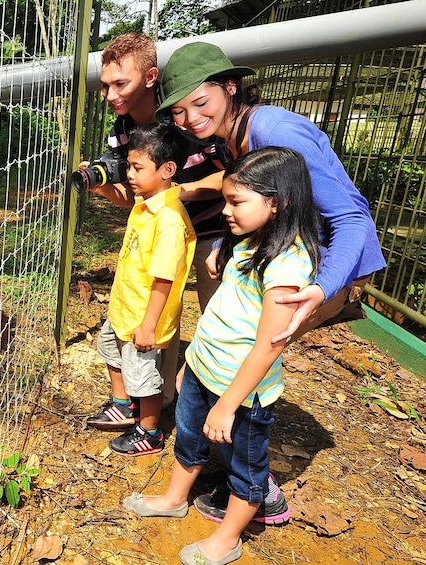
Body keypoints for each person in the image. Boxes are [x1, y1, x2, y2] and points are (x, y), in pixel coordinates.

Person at [122, 147, 322, 565]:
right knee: (190, 438)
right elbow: (227, 309)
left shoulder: (287, 263)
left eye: (236, 202)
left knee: (246, 468)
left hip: (241, 391)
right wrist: (191, 365)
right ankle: (175, 498)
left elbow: (271, 343)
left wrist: (229, 404)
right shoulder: (250, 239)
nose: (226, 211)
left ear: (277, 201)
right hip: (203, 367)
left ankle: (227, 537)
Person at [154, 41, 386, 344]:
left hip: (333, 258)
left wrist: (322, 288)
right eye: (178, 111)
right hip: (292, 246)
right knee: (228, 343)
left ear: (231, 86)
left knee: (249, 351)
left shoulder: (275, 132)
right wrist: (222, 244)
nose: (190, 119)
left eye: (200, 103)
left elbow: (352, 218)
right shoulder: (230, 135)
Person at [84, 33, 223, 423]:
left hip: (212, 232)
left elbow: (235, 175)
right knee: (163, 321)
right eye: (106, 85)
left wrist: (182, 193)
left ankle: (215, 415)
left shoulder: (185, 115)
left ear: (150, 77)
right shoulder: (121, 132)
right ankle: (160, 404)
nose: (110, 95)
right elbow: (135, 199)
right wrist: (101, 186)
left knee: (217, 320)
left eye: (120, 84)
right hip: (160, 231)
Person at [89, 122, 196, 456]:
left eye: (137, 168)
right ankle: (122, 404)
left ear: (167, 170)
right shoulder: (146, 199)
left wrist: (149, 325)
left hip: (144, 317)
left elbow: (164, 278)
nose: (130, 175)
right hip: (126, 306)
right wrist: (99, 186)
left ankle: (149, 430)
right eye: (129, 166)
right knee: (109, 348)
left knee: (143, 375)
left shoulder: (168, 218)